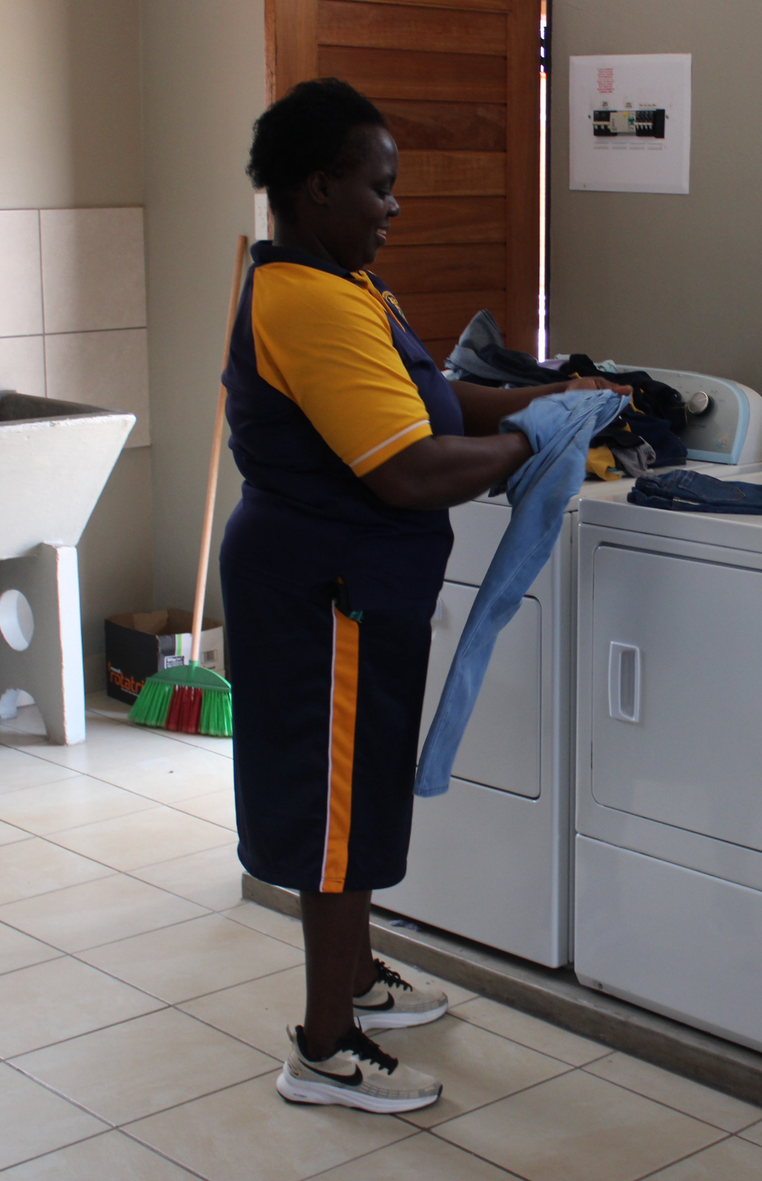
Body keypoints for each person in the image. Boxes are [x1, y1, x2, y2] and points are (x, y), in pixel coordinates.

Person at [222, 78, 624, 1113]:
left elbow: (432, 401)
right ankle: (322, 1048)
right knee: (331, 814)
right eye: (379, 188)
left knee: (354, 797)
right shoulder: (305, 298)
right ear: (318, 188)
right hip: (324, 589)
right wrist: (526, 445)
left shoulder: (345, 284)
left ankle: (356, 981)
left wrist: (546, 403)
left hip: (352, 582)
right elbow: (403, 467)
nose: (393, 208)